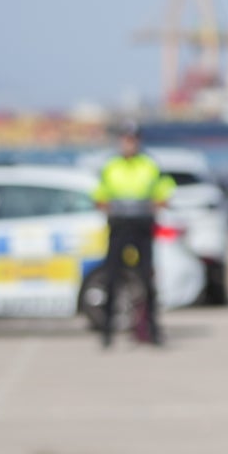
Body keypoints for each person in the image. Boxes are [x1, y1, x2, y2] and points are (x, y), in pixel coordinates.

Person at [91, 121, 175, 348]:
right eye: (126, 139)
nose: (130, 143)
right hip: (118, 227)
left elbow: (164, 188)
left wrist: (161, 200)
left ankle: (153, 329)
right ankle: (107, 333)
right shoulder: (111, 166)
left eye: (133, 139)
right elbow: (99, 193)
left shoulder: (148, 164)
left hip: (142, 227)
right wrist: (103, 204)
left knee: (147, 279)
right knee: (111, 279)